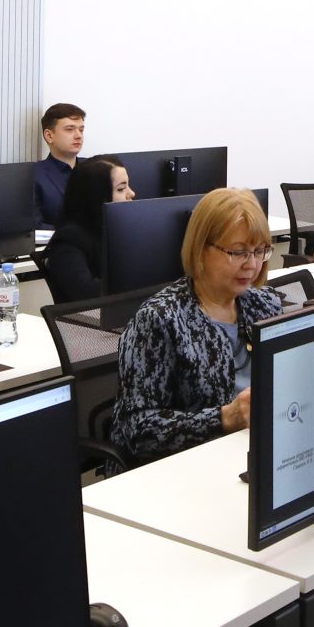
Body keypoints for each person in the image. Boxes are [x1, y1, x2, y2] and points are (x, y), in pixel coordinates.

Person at [109, 188, 287, 465]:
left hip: (254, 451)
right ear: (201, 249)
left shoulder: (265, 305)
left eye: (259, 251)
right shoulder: (159, 319)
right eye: (238, 252)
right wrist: (225, 418)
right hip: (186, 467)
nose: (251, 265)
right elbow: (139, 431)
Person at [41, 157, 131, 302]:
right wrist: (138, 279)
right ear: (97, 197)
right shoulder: (68, 241)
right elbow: (86, 293)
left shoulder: (120, 231)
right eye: (121, 189)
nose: (131, 193)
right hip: (91, 315)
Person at [33, 102, 86, 225]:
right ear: (49, 135)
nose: (78, 136)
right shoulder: (34, 175)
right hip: (58, 236)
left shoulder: (96, 167)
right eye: (69, 129)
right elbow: (35, 227)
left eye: (81, 130)